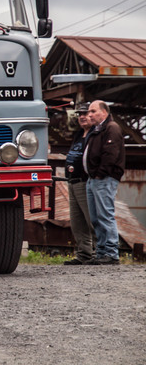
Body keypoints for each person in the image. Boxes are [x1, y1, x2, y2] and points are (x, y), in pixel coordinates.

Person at [83, 100, 125, 265]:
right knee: (95, 217)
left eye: (93, 111)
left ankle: (111, 253)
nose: (89, 115)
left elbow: (110, 154)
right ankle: (101, 253)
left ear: (104, 112)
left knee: (105, 215)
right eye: (89, 112)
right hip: (93, 179)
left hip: (103, 179)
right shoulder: (97, 129)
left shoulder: (111, 128)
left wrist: (100, 174)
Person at [63, 103, 95, 265]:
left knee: (91, 219)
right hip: (72, 181)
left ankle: (99, 252)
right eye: (80, 114)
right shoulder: (78, 135)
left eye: (86, 113)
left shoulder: (95, 135)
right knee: (77, 222)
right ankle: (84, 254)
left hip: (85, 182)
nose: (82, 116)